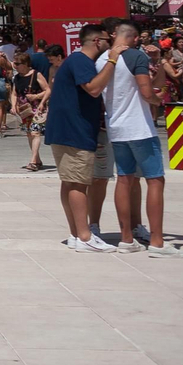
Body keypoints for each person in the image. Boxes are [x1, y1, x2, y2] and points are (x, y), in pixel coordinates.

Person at [98, 18, 183, 257]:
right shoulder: (135, 56)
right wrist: (158, 101)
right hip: (139, 127)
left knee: (124, 179)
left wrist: (155, 62)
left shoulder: (102, 60)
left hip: (116, 127)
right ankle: (157, 241)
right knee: (155, 180)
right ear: (135, 38)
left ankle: (126, 238)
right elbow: (148, 92)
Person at [43, 24, 121, 252]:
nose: (110, 44)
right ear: (97, 41)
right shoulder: (80, 61)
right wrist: (113, 60)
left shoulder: (76, 61)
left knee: (70, 182)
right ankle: (85, 237)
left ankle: (77, 234)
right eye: (108, 40)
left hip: (67, 131)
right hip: (73, 132)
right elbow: (94, 89)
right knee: (78, 183)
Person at [12, 52, 50, 171]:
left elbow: (48, 90)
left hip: (37, 108)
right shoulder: (17, 77)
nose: (15, 66)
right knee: (29, 133)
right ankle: (37, 160)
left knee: (35, 132)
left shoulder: (36, 74)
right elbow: (14, 93)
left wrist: (37, 97)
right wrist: (13, 106)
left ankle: (33, 161)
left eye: (17, 64)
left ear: (25, 64)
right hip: (25, 110)